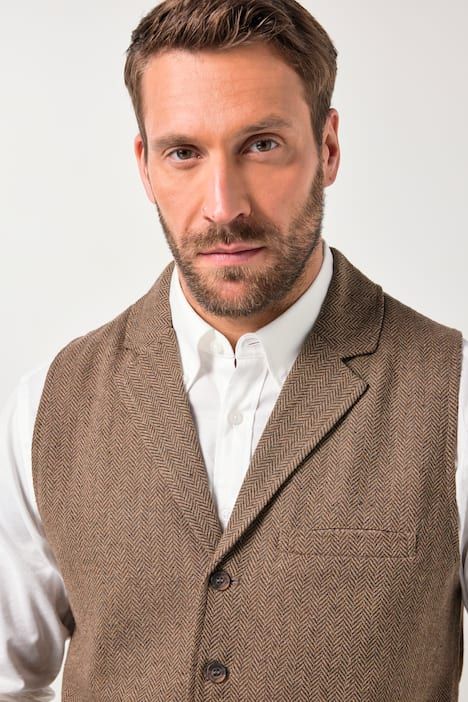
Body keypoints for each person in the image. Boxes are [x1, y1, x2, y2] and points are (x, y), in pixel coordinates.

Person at [0, 0, 467, 699]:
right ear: (146, 166)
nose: (223, 206)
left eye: (262, 144)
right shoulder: (47, 407)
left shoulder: (453, 396)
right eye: (184, 153)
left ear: (328, 148)